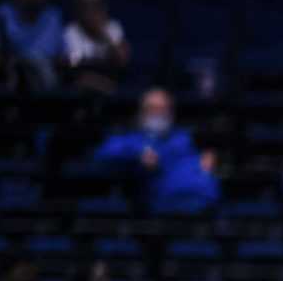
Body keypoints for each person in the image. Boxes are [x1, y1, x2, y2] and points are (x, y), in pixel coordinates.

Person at [91, 88, 219, 216]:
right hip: (146, 211)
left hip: (188, 212)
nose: (158, 113)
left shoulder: (184, 140)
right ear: (141, 112)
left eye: (163, 108)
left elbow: (206, 187)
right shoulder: (128, 138)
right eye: (152, 108)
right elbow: (103, 156)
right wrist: (136, 157)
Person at [60, 0, 129, 94]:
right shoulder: (71, 32)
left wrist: (103, 33)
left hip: (110, 79)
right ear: (79, 9)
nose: (90, 11)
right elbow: (71, 66)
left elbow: (122, 60)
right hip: (79, 83)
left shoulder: (113, 28)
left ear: (103, 7)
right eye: (86, 6)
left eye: (96, 5)